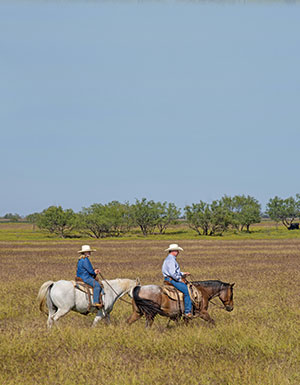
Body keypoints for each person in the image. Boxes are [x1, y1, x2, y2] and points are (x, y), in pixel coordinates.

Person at [162, 243, 192, 318]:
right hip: (172, 279)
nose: (178, 252)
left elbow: (174, 272)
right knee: (187, 291)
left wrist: (183, 273)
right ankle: (187, 312)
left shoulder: (169, 259)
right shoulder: (171, 260)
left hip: (169, 278)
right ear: (174, 251)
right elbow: (172, 273)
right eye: (177, 251)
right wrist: (179, 279)